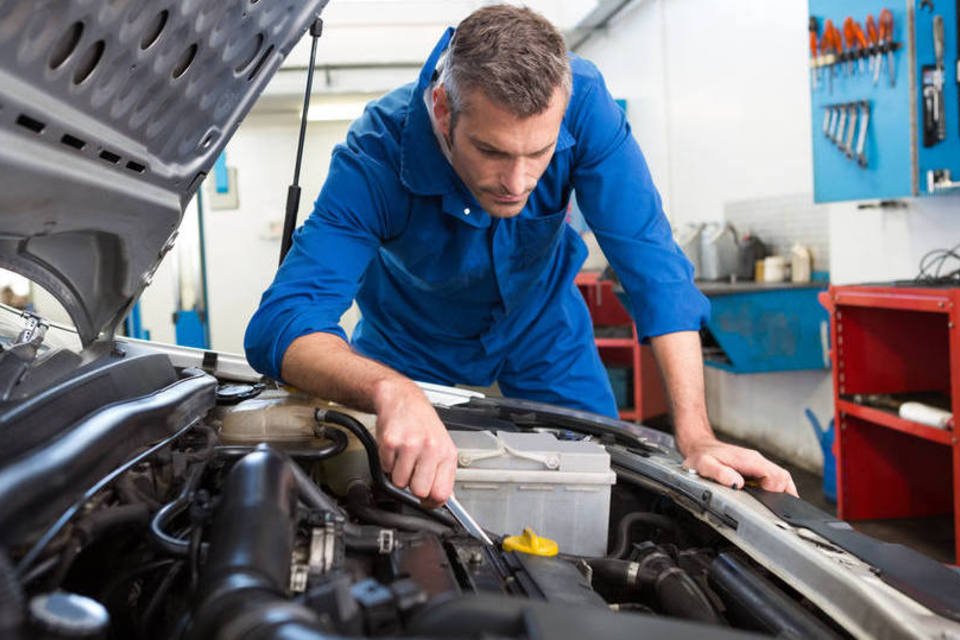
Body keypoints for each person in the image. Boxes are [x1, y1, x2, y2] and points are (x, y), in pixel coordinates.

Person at [245, 5, 797, 507]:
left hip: (543, 331)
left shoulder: (585, 101)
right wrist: (389, 388)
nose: (518, 182)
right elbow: (283, 321)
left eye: (540, 152)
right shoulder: (376, 155)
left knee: (601, 485)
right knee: (391, 492)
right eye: (491, 151)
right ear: (442, 109)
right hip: (409, 346)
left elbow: (653, 266)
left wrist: (696, 435)